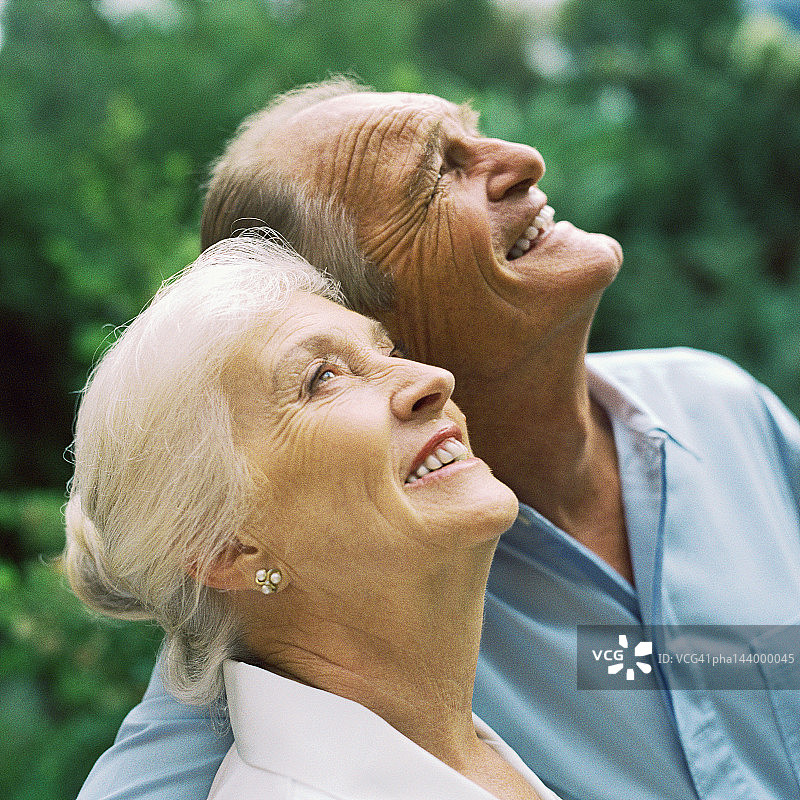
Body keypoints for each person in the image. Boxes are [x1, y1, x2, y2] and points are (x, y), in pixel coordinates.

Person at [76, 80, 800, 800]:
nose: (522, 158)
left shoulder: (716, 406)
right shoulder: (351, 593)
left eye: (473, 133)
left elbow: (686, 665)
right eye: (435, 175)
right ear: (342, 305)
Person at [64, 234, 564, 800]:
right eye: (322, 377)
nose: (432, 379)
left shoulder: (460, 748)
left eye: (390, 350)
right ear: (227, 550)